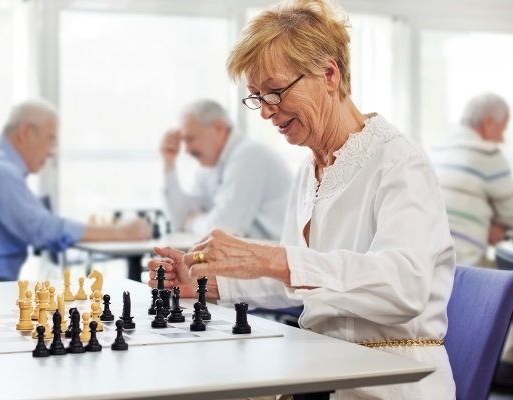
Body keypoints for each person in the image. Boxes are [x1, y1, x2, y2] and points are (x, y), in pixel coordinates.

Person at [147, 0, 456, 398]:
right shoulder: (309, 169)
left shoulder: (398, 162)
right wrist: (208, 284)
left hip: (391, 384)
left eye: (274, 91)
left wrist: (270, 258)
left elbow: (405, 289)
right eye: (256, 96)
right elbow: (300, 281)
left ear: (329, 74)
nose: (265, 111)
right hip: (323, 371)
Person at [0, 99, 151, 282]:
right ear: (26, 132)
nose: (51, 153)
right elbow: (42, 230)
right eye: (50, 139)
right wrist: (120, 232)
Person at [161, 99, 291, 239]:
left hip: (275, 255)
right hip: (252, 254)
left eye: (191, 139)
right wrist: (169, 163)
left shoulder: (249, 156)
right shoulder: (210, 165)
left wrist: (193, 222)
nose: (186, 150)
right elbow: (179, 219)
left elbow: (224, 230)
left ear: (218, 127)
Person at [429, 93, 512, 268]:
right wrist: (497, 225)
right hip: (463, 264)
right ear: (488, 122)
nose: (502, 139)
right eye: (502, 129)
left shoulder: (438, 149)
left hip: (429, 262)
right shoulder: (486, 153)